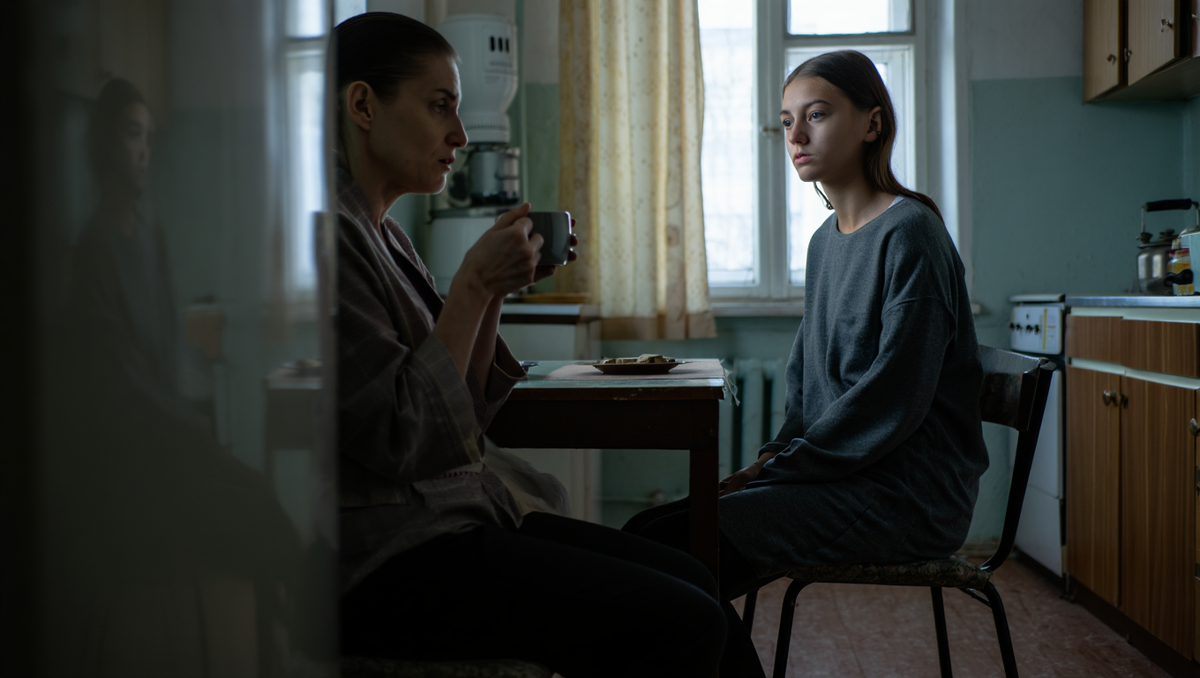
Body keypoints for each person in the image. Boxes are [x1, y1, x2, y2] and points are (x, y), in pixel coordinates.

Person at [333, 13, 725, 677]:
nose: (460, 135)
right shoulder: (330, 238)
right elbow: (408, 436)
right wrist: (472, 285)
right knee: (687, 620)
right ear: (364, 105)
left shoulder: (387, 236)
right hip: (390, 557)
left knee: (694, 579)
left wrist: (495, 292)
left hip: (454, 522)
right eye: (439, 106)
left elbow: (464, 416)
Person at [624, 50, 988, 677]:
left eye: (816, 115)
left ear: (872, 123)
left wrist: (781, 469)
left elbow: (892, 398)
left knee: (671, 552)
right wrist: (773, 458)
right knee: (645, 530)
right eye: (787, 121)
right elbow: (808, 383)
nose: (796, 136)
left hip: (907, 494)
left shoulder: (911, 234)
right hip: (841, 476)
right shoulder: (825, 243)